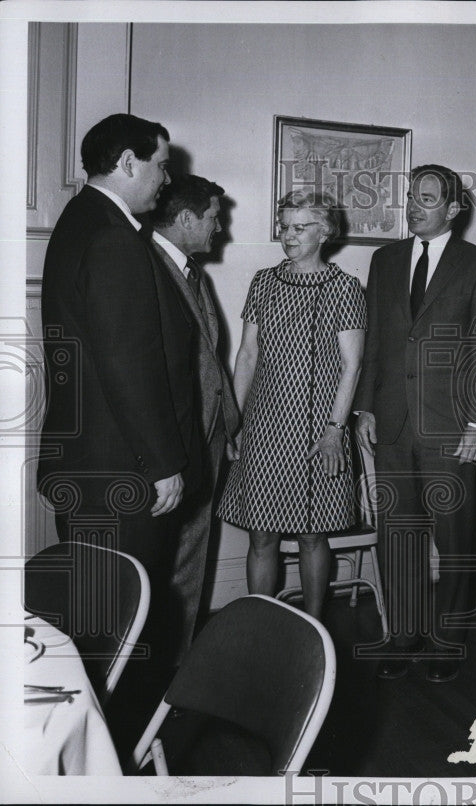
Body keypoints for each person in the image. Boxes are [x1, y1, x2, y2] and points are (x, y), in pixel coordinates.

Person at [37, 113, 201, 666]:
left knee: (91, 618)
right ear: (127, 163)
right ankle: (120, 739)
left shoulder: (81, 220)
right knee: (121, 629)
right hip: (120, 473)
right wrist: (161, 463)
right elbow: (127, 363)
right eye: (160, 165)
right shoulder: (114, 237)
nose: (166, 179)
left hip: (89, 465)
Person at [355, 164, 476, 684]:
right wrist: (366, 408)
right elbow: (375, 338)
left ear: (453, 209)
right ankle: (405, 633)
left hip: (453, 428)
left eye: (426, 197)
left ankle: (449, 639)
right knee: (397, 534)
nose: (414, 205)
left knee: (456, 538)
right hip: (393, 422)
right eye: (410, 196)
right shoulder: (385, 260)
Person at [217, 189, 366, 620]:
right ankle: (261, 622)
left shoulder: (345, 288)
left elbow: (351, 367)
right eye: (284, 226)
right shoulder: (264, 281)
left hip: (321, 431)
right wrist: (234, 421)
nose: (288, 236)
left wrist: (335, 432)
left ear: (325, 232)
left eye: (300, 228)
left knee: (312, 536)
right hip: (264, 426)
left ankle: (313, 629)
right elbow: (246, 356)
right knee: (261, 536)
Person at [149, 174, 240, 663]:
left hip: (206, 439)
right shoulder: (148, 268)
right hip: (172, 447)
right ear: (185, 219)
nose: (219, 229)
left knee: (191, 560)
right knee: (166, 564)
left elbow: (212, 356)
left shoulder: (192, 274)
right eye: (211, 218)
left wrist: (228, 424)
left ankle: (177, 668)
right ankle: (159, 673)